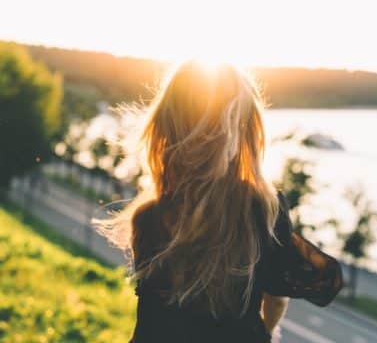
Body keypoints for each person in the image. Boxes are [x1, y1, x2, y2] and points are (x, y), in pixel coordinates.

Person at [93, 61, 343, 342]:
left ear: (165, 126)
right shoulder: (263, 210)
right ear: (246, 132)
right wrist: (268, 331)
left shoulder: (147, 217)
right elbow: (277, 297)